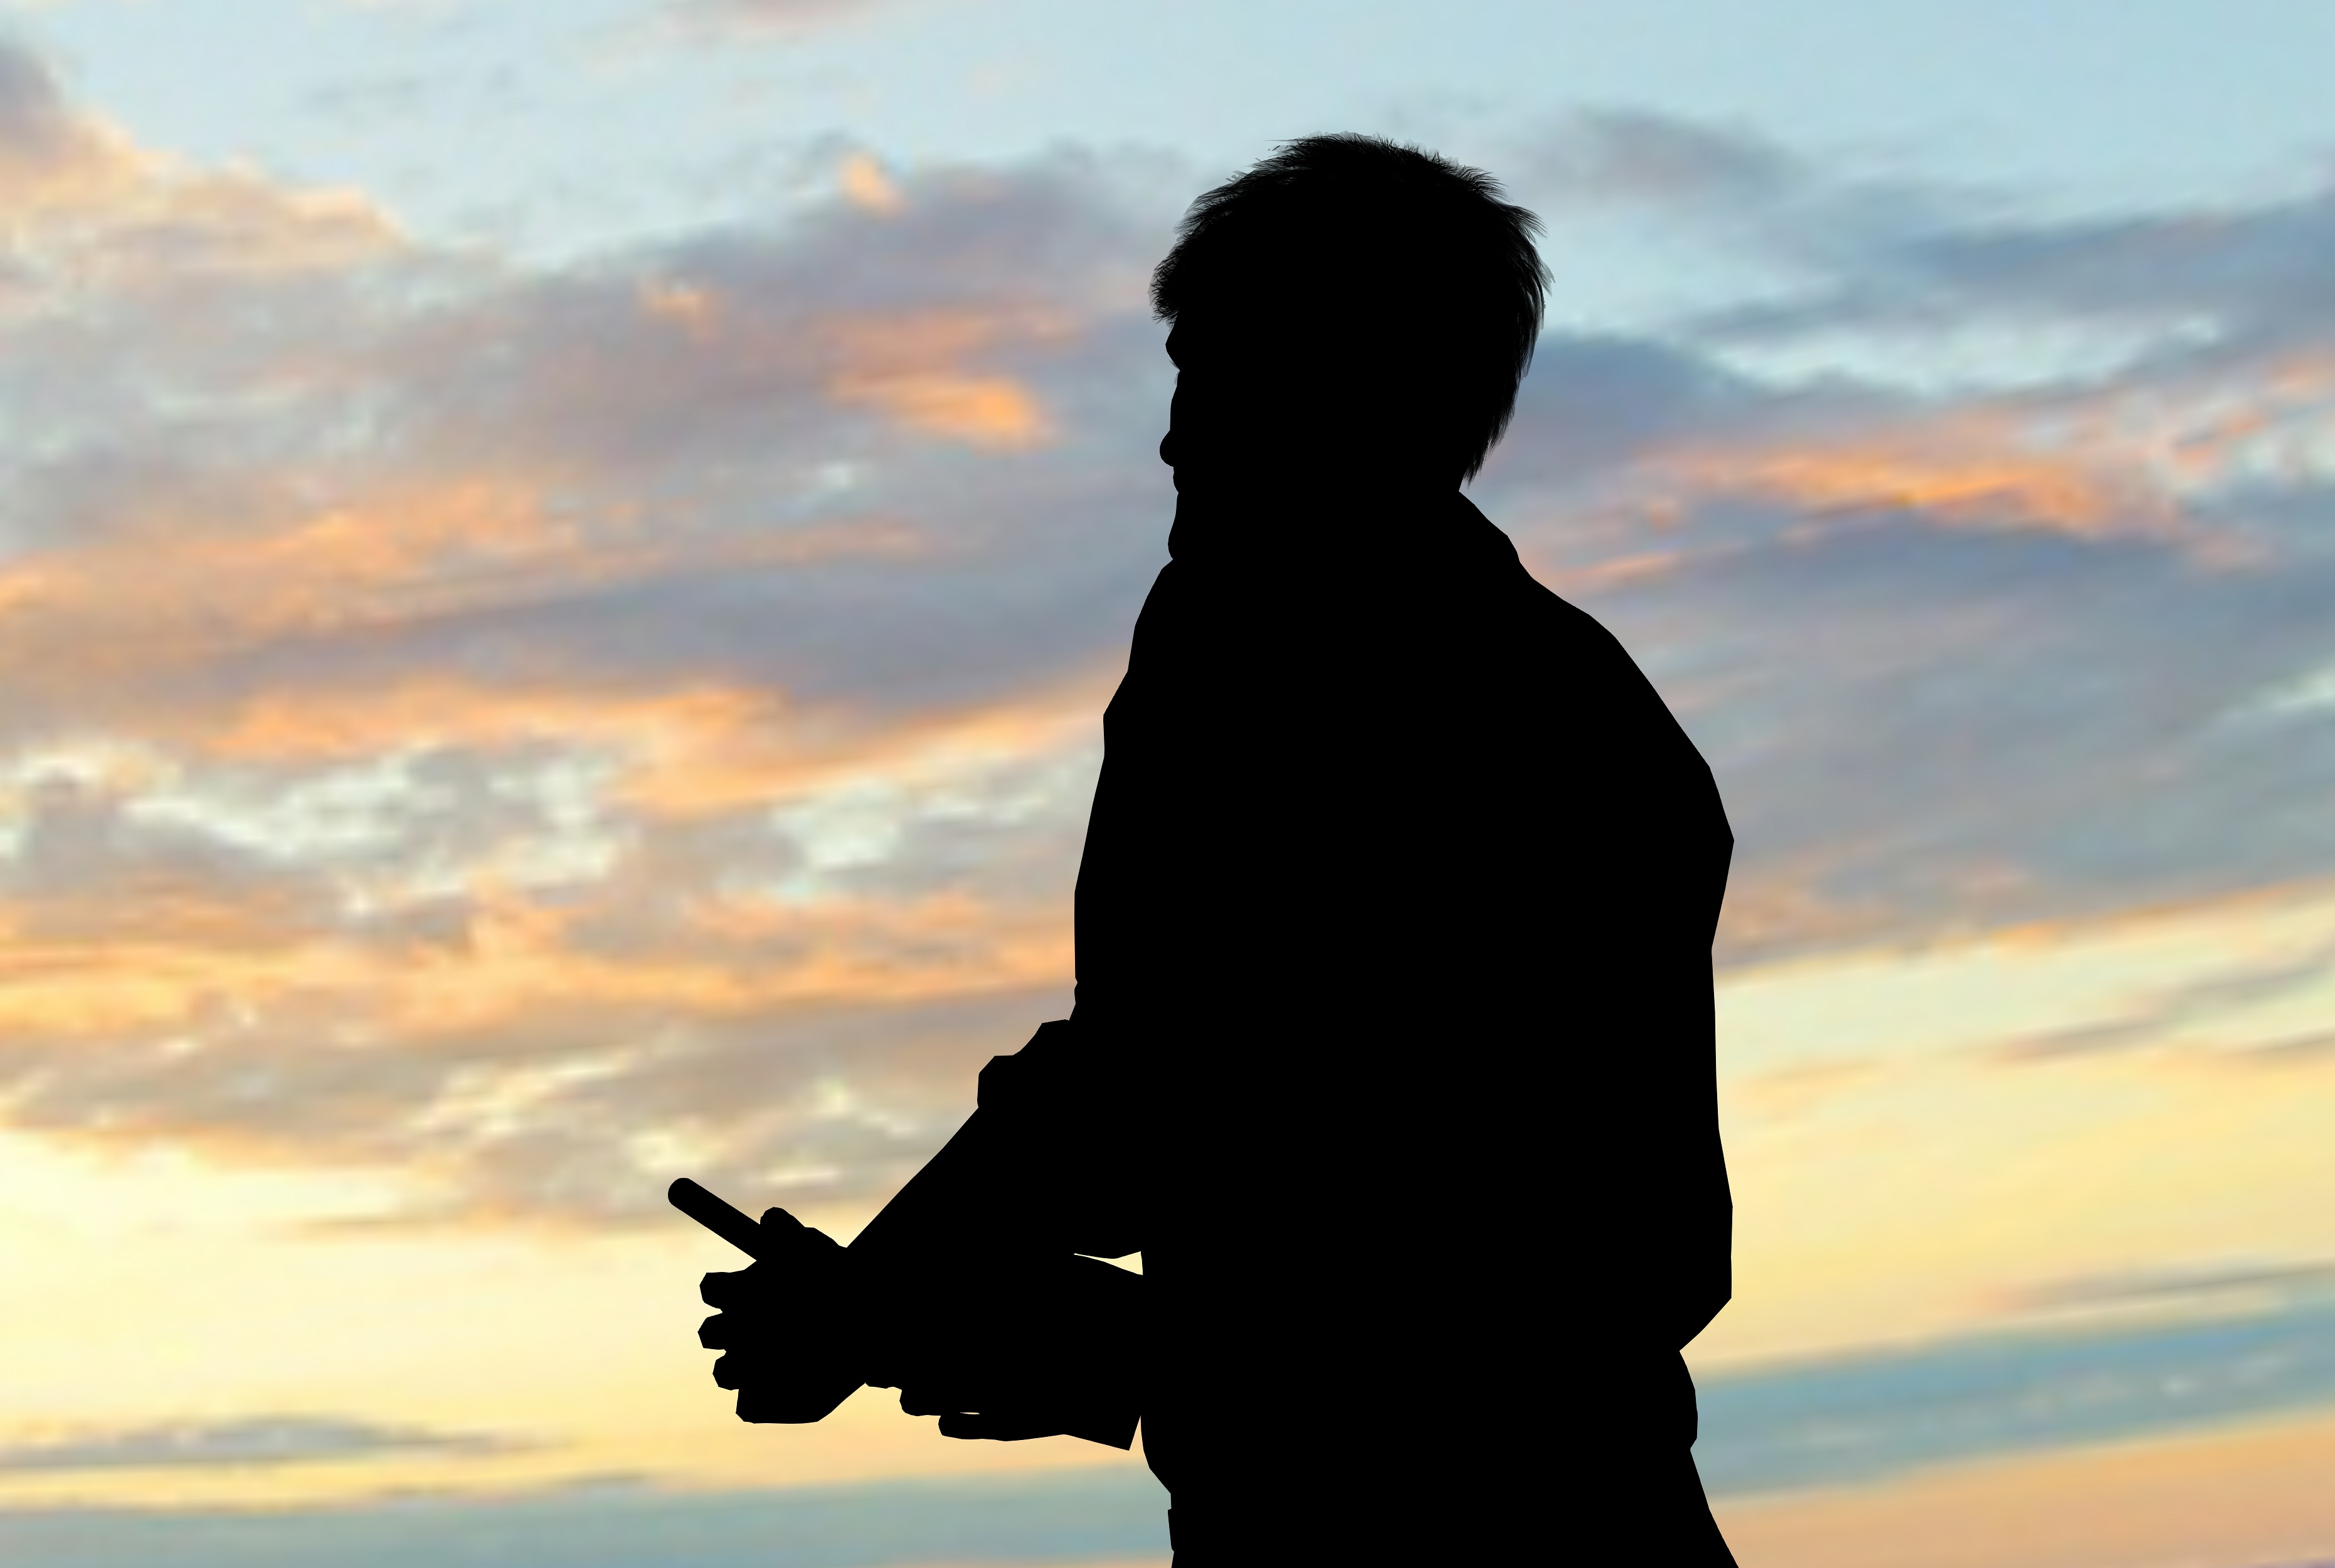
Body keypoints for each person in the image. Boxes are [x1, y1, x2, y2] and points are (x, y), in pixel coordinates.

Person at [691, 134, 1742, 1565]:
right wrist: (893, 1297)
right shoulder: (1221, 648)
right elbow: (1149, 1084)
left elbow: (1613, 1260)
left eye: (1217, 379)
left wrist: (1063, 1334)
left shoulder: (1529, 731)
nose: (1173, 440)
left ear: (1351, 396)